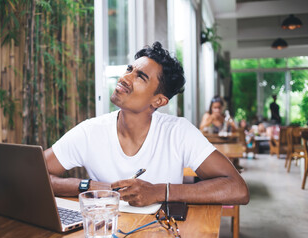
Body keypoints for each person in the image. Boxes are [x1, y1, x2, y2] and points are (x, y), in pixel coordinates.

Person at [44, 42, 249, 207]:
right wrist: (87, 186)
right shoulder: (90, 131)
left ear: (158, 101)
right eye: (129, 69)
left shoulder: (178, 132)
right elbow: (34, 175)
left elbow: (238, 189)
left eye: (139, 77)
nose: (124, 78)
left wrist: (159, 191)